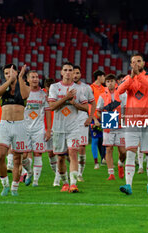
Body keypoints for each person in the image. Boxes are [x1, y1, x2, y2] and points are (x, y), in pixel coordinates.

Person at [117, 54, 148, 195]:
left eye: (138, 61)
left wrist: (138, 75)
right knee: (130, 153)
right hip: (132, 121)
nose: (136, 64)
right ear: (130, 65)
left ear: (144, 63)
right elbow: (119, 90)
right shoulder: (128, 79)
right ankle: (128, 185)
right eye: (133, 62)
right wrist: (131, 77)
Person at [48, 62, 88, 193]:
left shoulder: (79, 89)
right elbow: (52, 107)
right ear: (61, 72)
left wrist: (74, 103)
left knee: (73, 154)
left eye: (70, 70)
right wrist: (66, 98)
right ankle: (65, 183)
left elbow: (86, 107)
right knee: (60, 158)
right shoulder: (54, 87)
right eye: (65, 70)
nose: (68, 72)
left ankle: (74, 184)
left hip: (74, 128)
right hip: (58, 127)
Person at [0, 64, 30, 196]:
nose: (8, 74)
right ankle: (5, 185)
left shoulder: (23, 87)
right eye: (6, 73)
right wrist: (10, 80)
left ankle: (14, 188)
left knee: (17, 159)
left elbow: (26, 95)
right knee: (0, 156)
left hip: (20, 125)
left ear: (16, 72)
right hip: (4, 125)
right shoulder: (2, 88)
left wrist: (20, 77)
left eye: (11, 72)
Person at [22, 70, 51, 187]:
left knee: (38, 153)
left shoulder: (43, 95)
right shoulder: (23, 93)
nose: (35, 79)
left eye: (37, 77)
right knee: (23, 155)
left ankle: (35, 181)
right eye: (32, 77)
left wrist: (48, 129)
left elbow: (48, 112)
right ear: (27, 80)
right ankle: (29, 172)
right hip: (24, 128)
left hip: (38, 128)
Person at [96, 74, 127, 180]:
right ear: (105, 83)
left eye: (112, 81)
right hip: (108, 125)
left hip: (121, 126)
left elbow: (126, 109)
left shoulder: (123, 94)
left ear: (116, 82)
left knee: (123, 151)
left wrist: (123, 118)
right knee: (109, 148)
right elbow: (98, 111)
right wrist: (103, 119)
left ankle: (120, 163)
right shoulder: (102, 96)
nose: (110, 83)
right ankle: (111, 173)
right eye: (108, 81)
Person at [73, 65, 96, 182]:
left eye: (77, 73)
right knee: (70, 149)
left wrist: (90, 118)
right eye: (73, 73)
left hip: (83, 120)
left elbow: (93, 103)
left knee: (81, 147)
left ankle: (80, 173)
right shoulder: (65, 87)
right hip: (69, 121)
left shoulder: (86, 88)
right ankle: (73, 169)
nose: (75, 75)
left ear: (80, 74)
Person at [90, 70, 106, 168]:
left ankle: (104, 159)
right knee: (95, 140)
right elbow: (89, 105)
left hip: (104, 117)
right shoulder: (91, 88)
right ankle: (96, 163)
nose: (104, 79)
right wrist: (94, 118)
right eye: (103, 77)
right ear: (99, 77)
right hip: (94, 117)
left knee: (105, 139)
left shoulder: (105, 89)